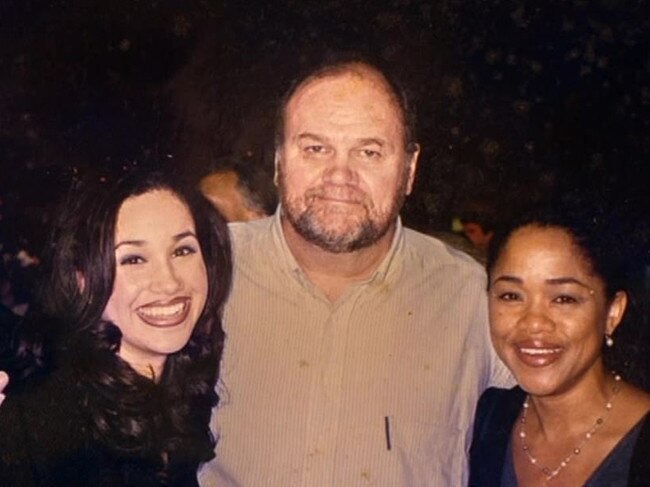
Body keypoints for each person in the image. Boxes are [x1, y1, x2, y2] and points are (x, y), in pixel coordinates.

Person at [199, 58, 512, 487]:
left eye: (369, 152)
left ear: (410, 169)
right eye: (314, 148)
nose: (340, 176)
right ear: (277, 162)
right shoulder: (204, 271)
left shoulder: (471, 295)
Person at [0, 170, 232, 486]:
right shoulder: (39, 424)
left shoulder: (187, 396)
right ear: (82, 279)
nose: (168, 282)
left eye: (182, 251)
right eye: (134, 259)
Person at [469, 199, 650, 486]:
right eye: (511, 296)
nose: (534, 322)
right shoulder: (490, 420)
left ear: (612, 312)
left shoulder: (638, 446)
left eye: (564, 298)